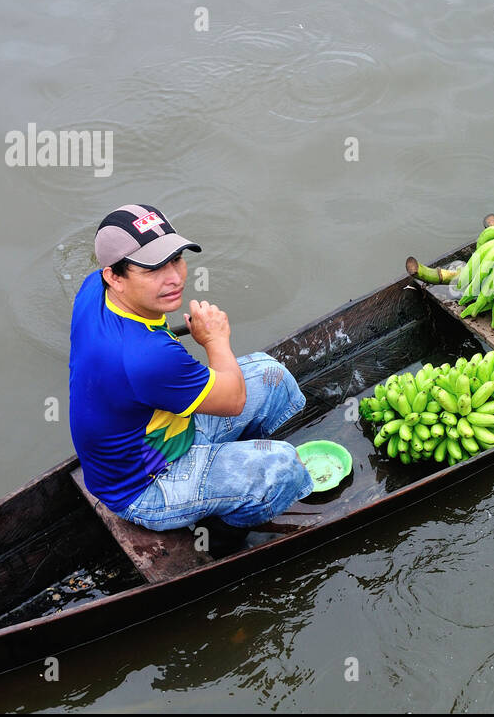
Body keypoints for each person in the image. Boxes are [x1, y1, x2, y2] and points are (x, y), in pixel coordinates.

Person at [68, 204, 313, 543]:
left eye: (176, 259)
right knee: (283, 467)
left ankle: (230, 473)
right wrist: (214, 339)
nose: (174, 277)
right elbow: (234, 400)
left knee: (274, 376)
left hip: (160, 434)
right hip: (146, 484)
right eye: (153, 268)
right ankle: (226, 528)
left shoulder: (93, 290)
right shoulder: (148, 357)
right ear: (114, 276)